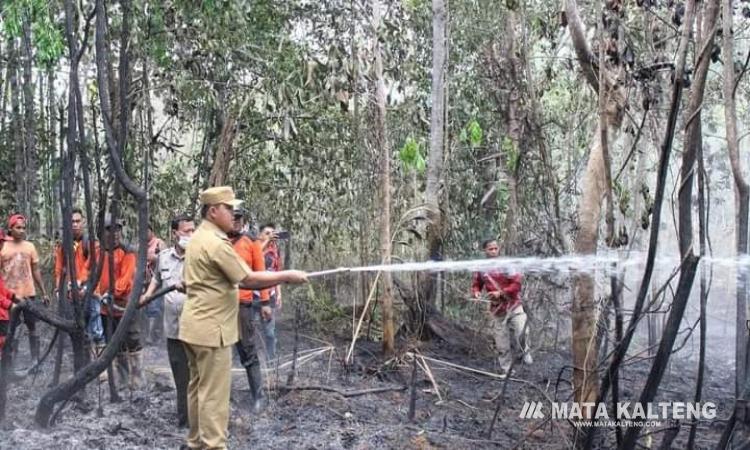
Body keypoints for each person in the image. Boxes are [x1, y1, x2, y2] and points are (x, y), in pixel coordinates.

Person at [179, 186, 307, 450]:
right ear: (213, 211)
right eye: (229, 209)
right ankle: (213, 445)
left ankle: (195, 443)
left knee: (197, 388)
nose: (233, 214)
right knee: (214, 395)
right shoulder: (216, 243)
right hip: (212, 331)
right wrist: (287, 275)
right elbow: (248, 278)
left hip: (194, 328)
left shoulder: (198, 238)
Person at [141, 214, 194, 428]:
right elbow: (156, 278)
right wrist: (147, 294)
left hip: (197, 328)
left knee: (197, 377)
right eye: (187, 231)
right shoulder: (163, 257)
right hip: (173, 329)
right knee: (181, 377)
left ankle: (201, 421)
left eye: (194, 230)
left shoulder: (199, 256)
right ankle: (185, 420)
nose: (192, 235)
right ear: (175, 233)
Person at [229, 208, 270, 413]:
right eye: (232, 218)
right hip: (218, 304)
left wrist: (265, 302)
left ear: (243, 220)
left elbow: (261, 273)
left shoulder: (251, 242)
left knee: (248, 349)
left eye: (238, 218)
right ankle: (224, 397)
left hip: (242, 305)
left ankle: (258, 396)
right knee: (219, 351)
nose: (235, 222)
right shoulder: (217, 240)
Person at [471, 239, 532, 374]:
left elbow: (517, 284)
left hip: (514, 305)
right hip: (497, 310)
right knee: (501, 343)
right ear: (484, 251)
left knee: (522, 332)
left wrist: (501, 293)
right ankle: (507, 370)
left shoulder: (507, 265)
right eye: (490, 249)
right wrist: (476, 292)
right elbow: (476, 284)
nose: (493, 251)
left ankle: (525, 352)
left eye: (495, 248)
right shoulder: (481, 268)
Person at [96, 216, 142, 390]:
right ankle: (123, 380)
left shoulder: (128, 251)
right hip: (106, 308)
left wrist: (111, 293)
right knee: (116, 344)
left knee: (133, 341)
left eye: (117, 229)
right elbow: (90, 272)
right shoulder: (99, 252)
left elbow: (125, 279)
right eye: (109, 229)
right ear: (103, 232)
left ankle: (137, 380)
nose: (114, 233)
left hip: (125, 306)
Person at [1, 214, 49, 363]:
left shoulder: (30, 246)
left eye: (23, 228)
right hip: (10, 298)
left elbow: (35, 271)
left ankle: (35, 359)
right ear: (11, 228)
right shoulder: (3, 246)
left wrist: (44, 292)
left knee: (32, 326)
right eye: (18, 227)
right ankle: (9, 362)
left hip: (28, 295)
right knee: (10, 330)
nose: (21, 230)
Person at [53, 208, 101, 345]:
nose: (75, 224)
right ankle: (81, 359)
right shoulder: (64, 244)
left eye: (77, 221)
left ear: (83, 222)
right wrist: (58, 289)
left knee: (96, 329)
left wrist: (81, 282)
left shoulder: (91, 242)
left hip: (91, 290)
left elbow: (93, 265)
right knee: (78, 329)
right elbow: (59, 268)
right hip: (71, 293)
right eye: (72, 222)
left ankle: (99, 360)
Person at [257, 223, 283, 360]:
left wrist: (279, 294)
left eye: (272, 233)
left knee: (269, 332)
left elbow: (277, 272)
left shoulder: (275, 251)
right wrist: (266, 241)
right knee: (248, 332)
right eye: (267, 233)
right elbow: (252, 260)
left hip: (270, 295)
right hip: (253, 295)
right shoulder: (255, 248)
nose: (270, 236)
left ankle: (271, 359)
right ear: (260, 235)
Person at [144, 224, 166, 345]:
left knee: (154, 308)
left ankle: (151, 337)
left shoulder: (159, 243)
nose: (145, 233)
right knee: (147, 308)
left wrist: (155, 257)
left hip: (157, 282)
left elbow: (166, 258)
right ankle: (151, 334)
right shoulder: (141, 245)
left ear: (151, 231)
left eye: (147, 231)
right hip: (144, 282)